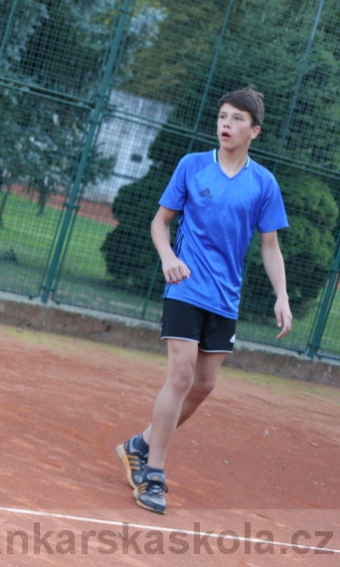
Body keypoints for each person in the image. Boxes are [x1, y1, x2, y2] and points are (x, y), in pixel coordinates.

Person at [115, 87, 291, 514]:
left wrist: (282, 296)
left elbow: (269, 245)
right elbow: (160, 223)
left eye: (236, 119)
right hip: (186, 286)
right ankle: (152, 474)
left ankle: (140, 444)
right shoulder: (192, 166)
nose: (225, 124)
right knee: (180, 374)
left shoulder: (263, 183)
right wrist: (169, 257)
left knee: (204, 385)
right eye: (222, 116)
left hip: (225, 297)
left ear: (254, 131)